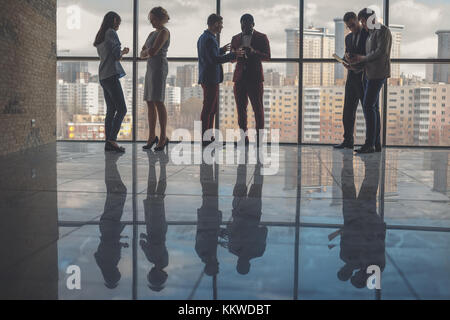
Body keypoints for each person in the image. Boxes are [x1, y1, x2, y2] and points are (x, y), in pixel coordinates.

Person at [349, 8, 392, 154]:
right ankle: (375, 143)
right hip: (369, 74)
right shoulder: (371, 34)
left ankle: (370, 144)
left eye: (362, 21)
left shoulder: (383, 31)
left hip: (378, 74)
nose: (362, 25)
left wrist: (362, 58)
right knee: (373, 107)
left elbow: (381, 52)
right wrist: (355, 62)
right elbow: (368, 56)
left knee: (368, 106)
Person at [231, 14, 271, 146]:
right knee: (241, 110)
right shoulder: (235, 38)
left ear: (253, 24)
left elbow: (268, 57)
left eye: (247, 25)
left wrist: (254, 52)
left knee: (258, 110)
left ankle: (259, 140)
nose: (244, 27)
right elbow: (231, 58)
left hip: (255, 78)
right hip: (239, 78)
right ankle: (244, 138)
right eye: (242, 25)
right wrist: (236, 53)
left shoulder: (261, 37)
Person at [197, 14, 236, 147]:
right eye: (220, 24)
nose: (222, 26)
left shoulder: (204, 37)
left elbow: (211, 55)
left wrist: (222, 50)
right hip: (210, 79)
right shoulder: (210, 39)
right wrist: (233, 55)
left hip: (208, 77)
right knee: (208, 109)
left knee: (211, 109)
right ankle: (205, 138)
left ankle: (208, 137)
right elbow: (214, 59)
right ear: (214, 24)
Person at [94, 11, 129, 153]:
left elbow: (107, 55)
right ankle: (112, 140)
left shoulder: (100, 35)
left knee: (111, 110)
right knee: (122, 109)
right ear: (114, 20)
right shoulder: (111, 33)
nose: (118, 26)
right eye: (118, 23)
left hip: (103, 75)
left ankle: (108, 142)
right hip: (110, 74)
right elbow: (116, 55)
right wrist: (124, 51)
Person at [334, 12, 369, 150]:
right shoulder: (348, 38)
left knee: (367, 110)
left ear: (357, 20)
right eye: (349, 27)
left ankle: (371, 142)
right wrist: (345, 58)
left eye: (353, 25)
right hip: (351, 77)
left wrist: (357, 60)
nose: (351, 28)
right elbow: (348, 53)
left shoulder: (368, 35)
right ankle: (348, 141)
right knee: (348, 110)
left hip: (363, 76)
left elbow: (369, 55)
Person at [141, 7, 171, 152]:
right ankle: (152, 136)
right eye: (150, 19)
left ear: (160, 19)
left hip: (159, 68)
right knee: (149, 101)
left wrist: (147, 51)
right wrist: (148, 52)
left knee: (158, 101)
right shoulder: (152, 33)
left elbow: (152, 51)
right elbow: (143, 53)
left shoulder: (164, 32)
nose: (151, 22)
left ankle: (163, 136)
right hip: (150, 68)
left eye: (153, 19)